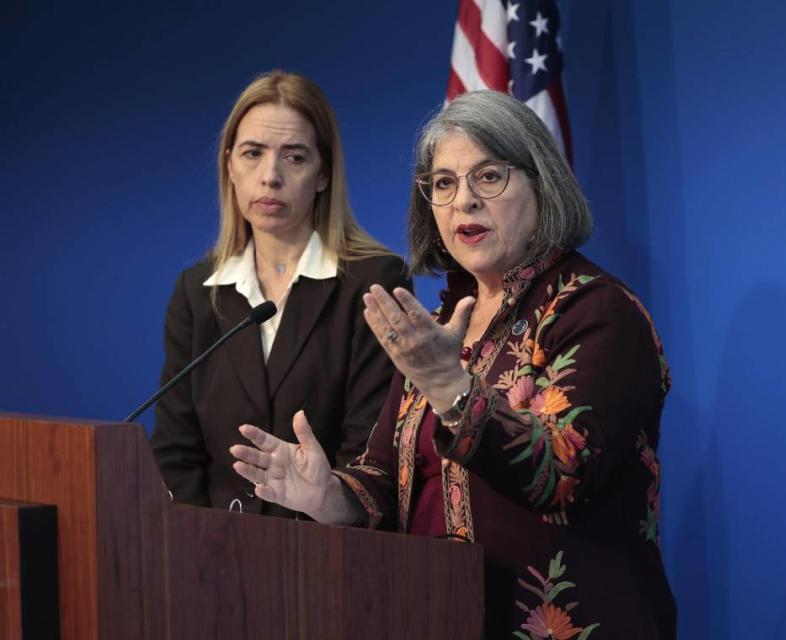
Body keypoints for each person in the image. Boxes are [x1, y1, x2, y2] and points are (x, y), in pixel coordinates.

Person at [231, 90, 675, 637]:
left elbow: (561, 475)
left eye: (489, 177)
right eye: (444, 183)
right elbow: (387, 478)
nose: (464, 201)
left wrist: (449, 385)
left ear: (541, 183)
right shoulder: (444, 322)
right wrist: (330, 497)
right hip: (442, 617)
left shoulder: (596, 311)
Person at [150, 71, 410, 518]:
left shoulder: (374, 281)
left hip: (330, 555)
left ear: (323, 173)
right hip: (210, 560)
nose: (270, 177)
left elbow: (372, 456)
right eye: (253, 154)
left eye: (294, 158)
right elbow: (176, 454)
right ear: (230, 164)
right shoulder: (197, 291)